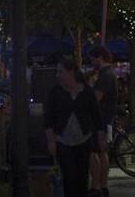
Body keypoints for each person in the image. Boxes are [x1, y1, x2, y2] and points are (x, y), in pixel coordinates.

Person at [44, 58, 104, 197]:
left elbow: (96, 116)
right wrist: (51, 141)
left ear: (70, 72)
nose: (57, 75)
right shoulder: (56, 92)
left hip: (83, 139)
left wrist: (101, 138)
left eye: (61, 71)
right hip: (63, 140)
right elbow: (48, 119)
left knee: (82, 175)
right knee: (69, 175)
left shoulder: (86, 91)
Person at [88, 45, 118, 197]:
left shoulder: (105, 76)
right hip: (107, 118)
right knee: (102, 151)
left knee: (93, 152)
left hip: (99, 119)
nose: (92, 62)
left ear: (99, 57)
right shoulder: (109, 73)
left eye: (92, 59)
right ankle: (103, 185)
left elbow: (96, 98)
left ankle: (96, 186)